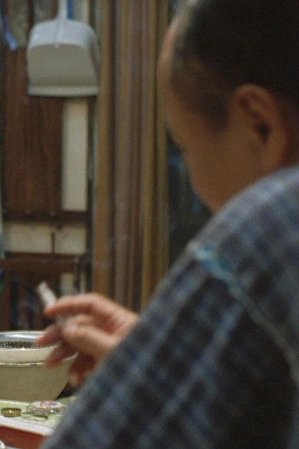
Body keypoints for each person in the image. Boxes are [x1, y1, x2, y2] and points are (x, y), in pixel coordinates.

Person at [37, 0, 299, 447]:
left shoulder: (274, 227)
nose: (191, 179)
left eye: (185, 147)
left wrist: (155, 371)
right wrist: (171, 355)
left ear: (260, 124)